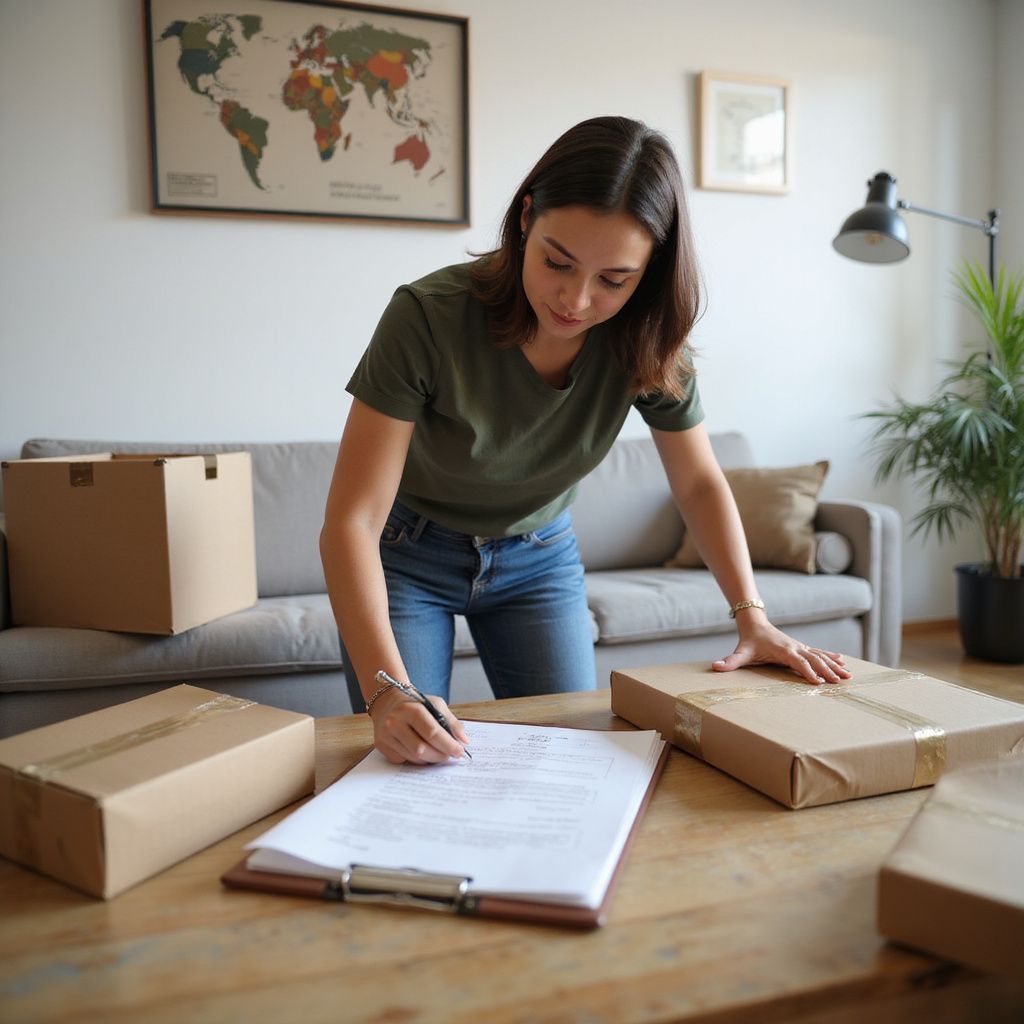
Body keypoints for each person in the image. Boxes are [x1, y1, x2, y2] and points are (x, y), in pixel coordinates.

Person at [320, 115, 850, 766]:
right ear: (524, 219)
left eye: (614, 279)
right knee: (411, 749)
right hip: (408, 557)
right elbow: (352, 517)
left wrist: (752, 615)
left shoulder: (648, 340)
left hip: (536, 559)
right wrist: (386, 692)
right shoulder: (427, 315)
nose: (575, 299)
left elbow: (699, 481)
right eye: (557, 262)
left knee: (569, 757)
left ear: (649, 271)